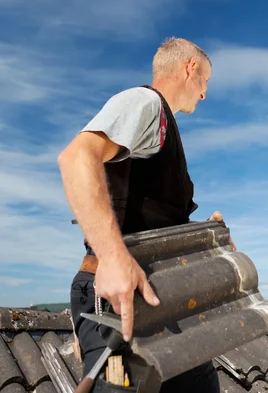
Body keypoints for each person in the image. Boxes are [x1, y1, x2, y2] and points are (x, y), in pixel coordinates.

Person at [58, 37, 221, 392]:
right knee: (122, 383)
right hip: (119, 301)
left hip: (165, 299)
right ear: (190, 68)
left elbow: (149, 219)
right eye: (205, 81)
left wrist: (205, 237)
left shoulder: (161, 126)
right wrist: (113, 257)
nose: (204, 93)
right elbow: (76, 158)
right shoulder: (145, 102)